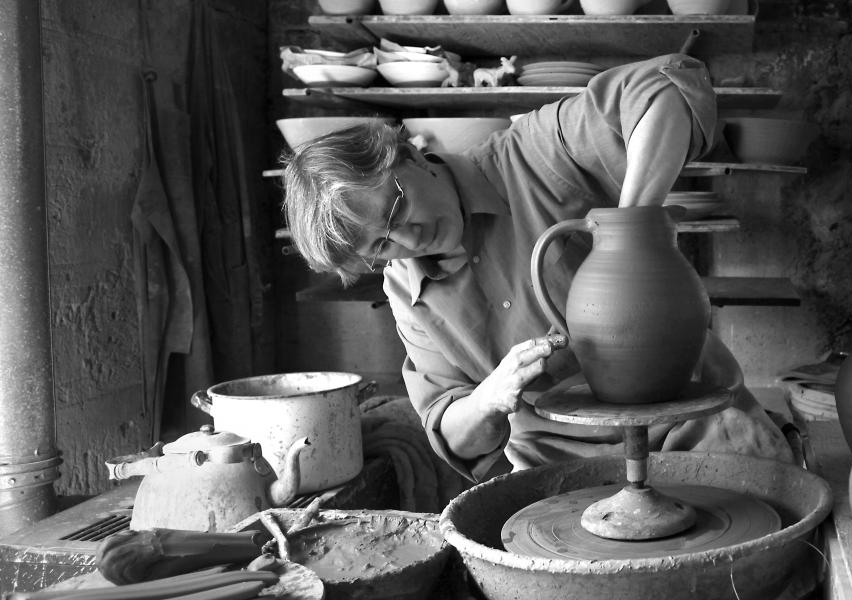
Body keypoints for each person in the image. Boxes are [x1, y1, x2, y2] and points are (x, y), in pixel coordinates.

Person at [281, 53, 793, 483]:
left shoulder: (529, 154)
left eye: (395, 210)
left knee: (760, 543)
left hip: (693, 419)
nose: (408, 239)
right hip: (559, 463)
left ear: (410, 157)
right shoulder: (406, 286)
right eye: (381, 244)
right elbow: (450, 429)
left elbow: (665, 85)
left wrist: (633, 226)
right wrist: (487, 400)